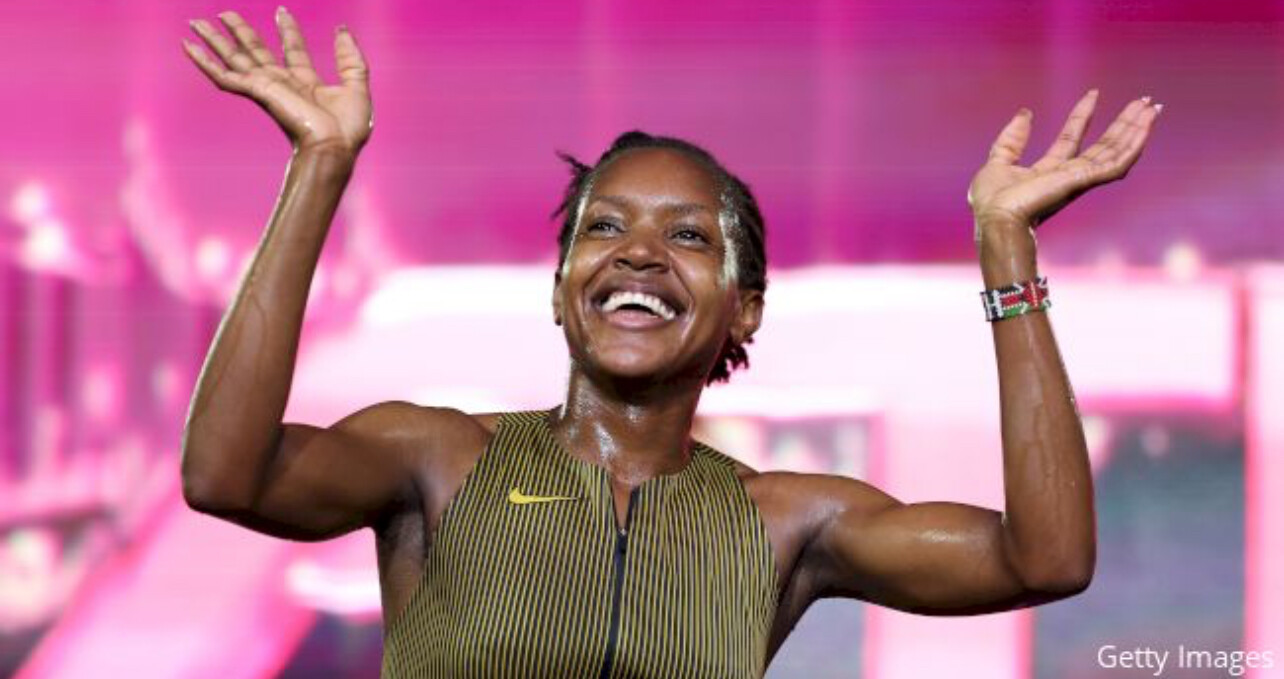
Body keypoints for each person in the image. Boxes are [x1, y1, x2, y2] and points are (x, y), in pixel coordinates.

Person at [179, 8, 1161, 679]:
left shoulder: (786, 523)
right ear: (561, 291)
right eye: (604, 228)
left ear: (744, 311)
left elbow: (1044, 559)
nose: (639, 252)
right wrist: (320, 164)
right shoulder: (434, 456)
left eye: (688, 237)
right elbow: (226, 475)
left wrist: (1005, 246)